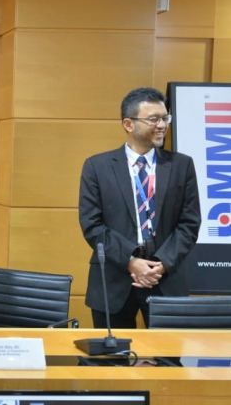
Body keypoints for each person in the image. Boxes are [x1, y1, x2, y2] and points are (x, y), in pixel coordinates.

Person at [79, 87, 201, 328]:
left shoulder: (182, 165)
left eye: (165, 118)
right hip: (114, 278)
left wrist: (162, 264)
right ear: (128, 124)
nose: (162, 125)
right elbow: (92, 224)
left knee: (169, 352)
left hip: (166, 277)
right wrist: (130, 261)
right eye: (153, 119)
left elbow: (190, 223)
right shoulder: (97, 167)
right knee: (113, 351)